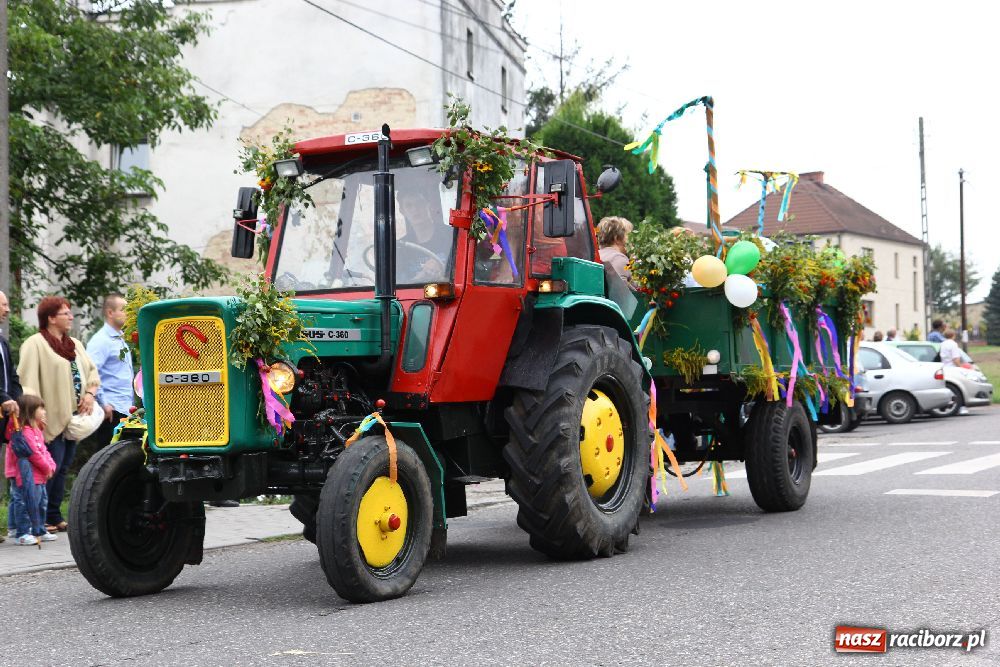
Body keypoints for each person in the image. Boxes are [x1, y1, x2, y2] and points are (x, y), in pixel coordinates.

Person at [17, 296, 100, 533]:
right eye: (65, 313)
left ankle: (53, 514)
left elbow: (92, 372)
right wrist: (35, 414)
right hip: (48, 418)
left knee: (62, 467)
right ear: (51, 318)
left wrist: (89, 394)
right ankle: (40, 517)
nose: (71, 317)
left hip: (73, 418)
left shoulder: (75, 344)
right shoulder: (35, 344)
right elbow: (27, 381)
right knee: (48, 468)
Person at [5, 395, 57, 545]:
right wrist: (46, 467)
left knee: (41, 502)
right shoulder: (24, 432)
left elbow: (44, 450)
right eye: (41, 408)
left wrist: (51, 465)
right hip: (27, 475)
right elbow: (33, 454)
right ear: (30, 411)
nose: (44, 411)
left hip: (39, 474)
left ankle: (38, 529)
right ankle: (22, 533)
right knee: (24, 502)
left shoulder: (36, 430)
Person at [86, 294, 134, 449]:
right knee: (109, 457)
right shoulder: (101, 340)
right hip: (111, 411)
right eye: (123, 309)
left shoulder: (120, 338)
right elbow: (90, 372)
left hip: (124, 409)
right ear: (110, 312)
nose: (127, 314)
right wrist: (103, 403)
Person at [0, 290, 23, 543]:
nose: (7, 309)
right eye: (4, 305)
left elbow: (12, 375)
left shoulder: (2, 341)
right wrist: (3, 397)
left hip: (5, 415)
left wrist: (17, 398)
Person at [596, 216, 634, 284]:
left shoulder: (594, 256)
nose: (632, 241)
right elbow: (623, 289)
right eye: (629, 236)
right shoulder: (619, 259)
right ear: (617, 238)